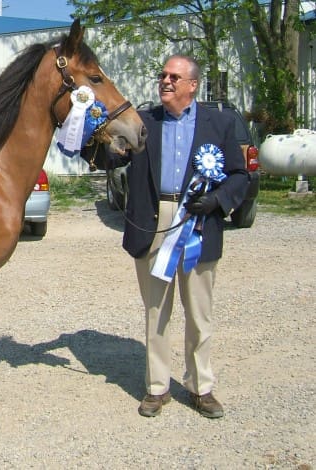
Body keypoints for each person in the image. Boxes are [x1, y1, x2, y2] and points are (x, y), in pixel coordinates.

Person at [118, 55, 249, 419]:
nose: (165, 81)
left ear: (193, 85)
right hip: (154, 217)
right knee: (156, 311)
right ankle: (157, 388)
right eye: (162, 75)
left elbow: (240, 176)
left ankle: (200, 387)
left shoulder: (219, 124)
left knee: (199, 313)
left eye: (174, 77)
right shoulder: (144, 121)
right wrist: (85, 136)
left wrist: (219, 199)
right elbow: (114, 156)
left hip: (199, 220)